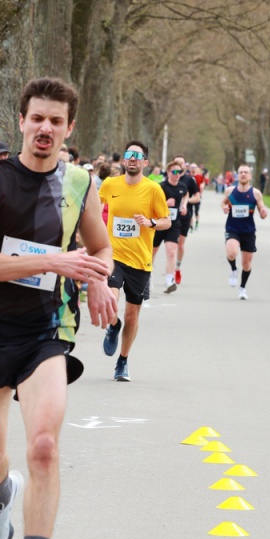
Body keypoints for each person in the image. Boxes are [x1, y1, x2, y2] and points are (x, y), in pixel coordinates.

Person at [0, 77, 114, 539]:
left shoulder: (80, 184)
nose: (45, 128)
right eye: (37, 118)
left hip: (45, 333)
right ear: (21, 121)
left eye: (56, 121)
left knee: (44, 446)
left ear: (69, 129)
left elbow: (101, 248)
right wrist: (52, 260)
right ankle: (2, 494)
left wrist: (98, 277)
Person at [99, 141, 170, 381]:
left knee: (132, 316)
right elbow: (95, 207)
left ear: (144, 163)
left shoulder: (153, 189)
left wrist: (150, 223)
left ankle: (123, 360)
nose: (132, 158)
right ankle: (113, 325)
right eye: (129, 154)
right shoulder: (110, 184)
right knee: (110, 299)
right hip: (114, 256)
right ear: (123, 160)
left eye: (137, 156)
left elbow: (166, 221)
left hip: (140, 261)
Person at [222, 163, 268, 299]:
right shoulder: (230, 191)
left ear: (250, 176)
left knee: (246, 264)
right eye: (241, 172)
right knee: (231, 252)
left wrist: (263, 212)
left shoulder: (256, 193)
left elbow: (262, 210)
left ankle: (242, 288)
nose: (243, 174)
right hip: (232, 228)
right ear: (237, 175)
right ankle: (233, 270)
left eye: (245, 172)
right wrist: (224, 207)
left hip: (248, 231)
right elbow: (224, 203)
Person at [153, 160, 189, 293]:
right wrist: (165, 204)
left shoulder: (182, 187)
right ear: (168, 172)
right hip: (159, 224)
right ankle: (147, 276)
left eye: (179, 172)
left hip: (174, 224)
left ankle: (169, 280)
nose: (177, 174)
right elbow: (152, 205)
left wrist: (184, 205)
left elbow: (186, 195)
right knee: (152, 252)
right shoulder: (161, 187)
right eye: (174, 171)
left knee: (171, 251)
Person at [173, 154, 200, 283]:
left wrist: (185, 201)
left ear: (185, 165)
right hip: (171, 216)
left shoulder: (189, 180)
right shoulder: (168, 178)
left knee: (180, 244)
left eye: (181, 163)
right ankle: (170, 270)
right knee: (170, 245)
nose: (179, 165)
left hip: (184, 215)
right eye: (176, 163)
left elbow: (197, 197)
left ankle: (177, 268)